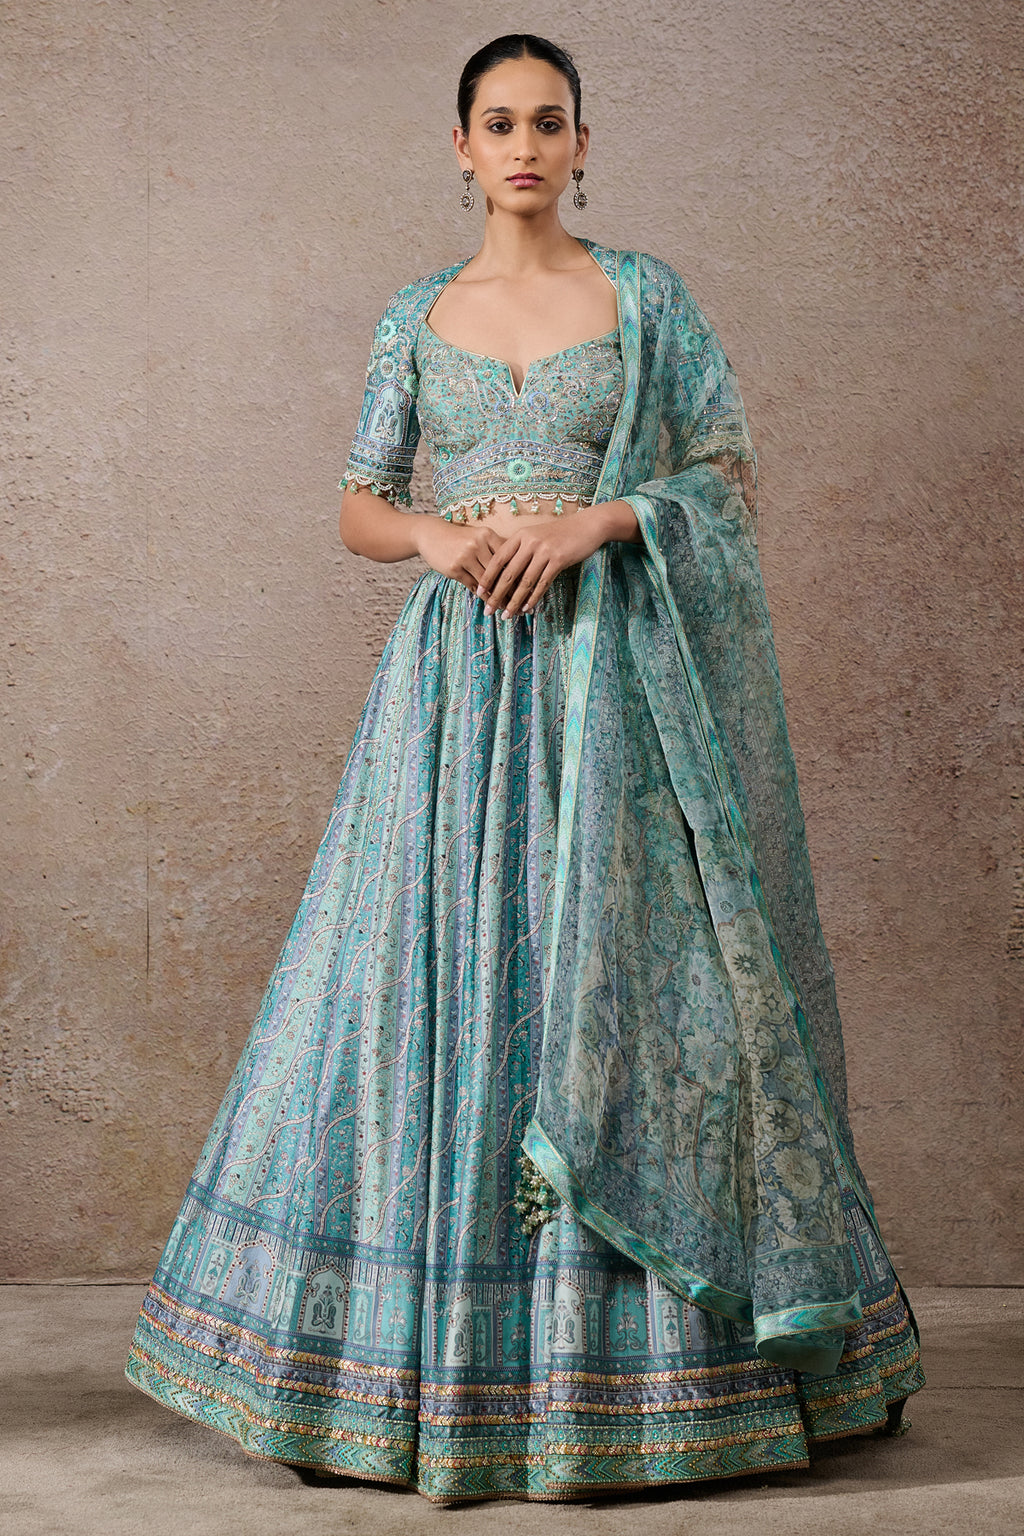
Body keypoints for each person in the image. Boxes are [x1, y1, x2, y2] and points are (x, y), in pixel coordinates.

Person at [125, 33, 925, 1505]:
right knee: (431, 980)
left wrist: (594, 522)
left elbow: (722, 480)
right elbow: (362, 504)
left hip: (616, 682)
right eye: (499, 124)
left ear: (582, 145)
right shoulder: (417, 314)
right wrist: (440, 538)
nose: (525, 147)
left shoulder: (644, 299)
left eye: (549, 123)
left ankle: (648, 1376)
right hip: (456, 695)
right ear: (460, 145)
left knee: (629, 978)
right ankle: (428, 1375)